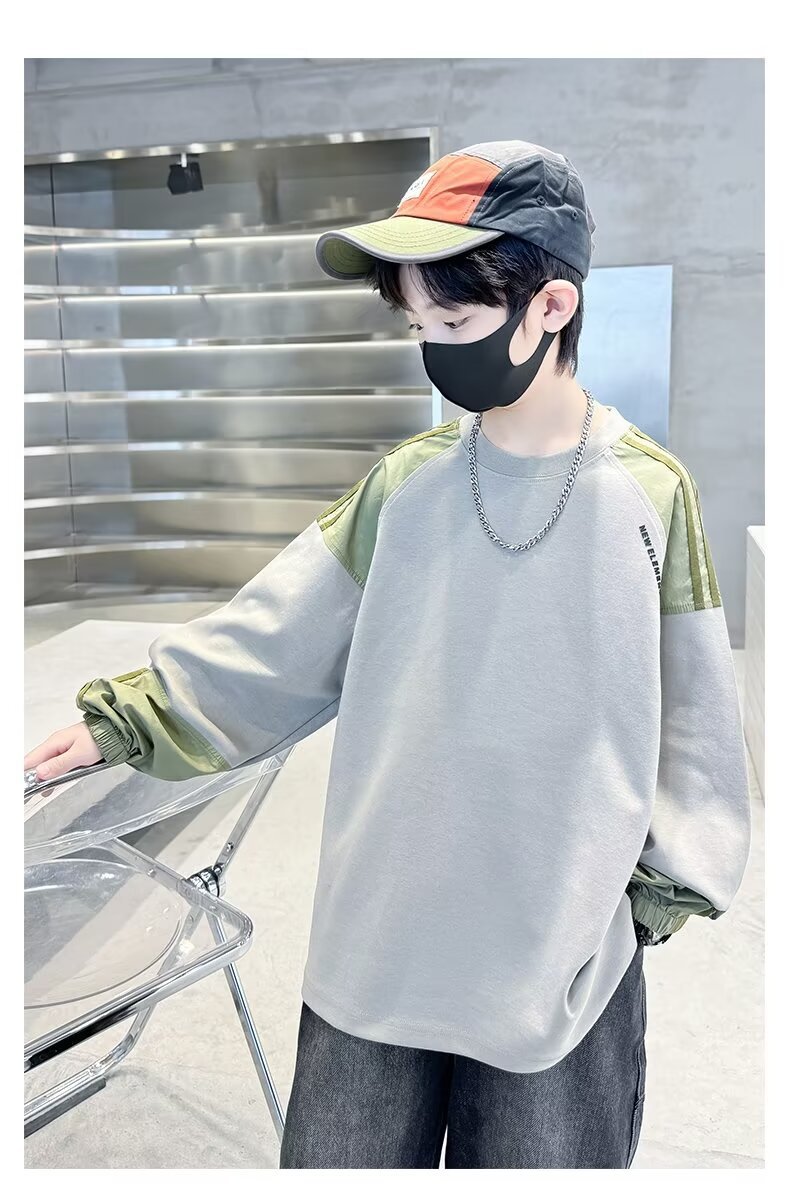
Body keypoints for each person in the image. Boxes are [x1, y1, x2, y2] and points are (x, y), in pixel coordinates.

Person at [24, 140, 752, 1169]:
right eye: (418, 327)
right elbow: (276, 635)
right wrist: (129, 718)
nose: (433, 350)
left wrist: (647, 897)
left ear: (551, 306)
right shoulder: (406, 486)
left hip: (560, 953)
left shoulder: (648, 495)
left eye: (453, 324)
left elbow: (696, 722)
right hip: (382, 940)